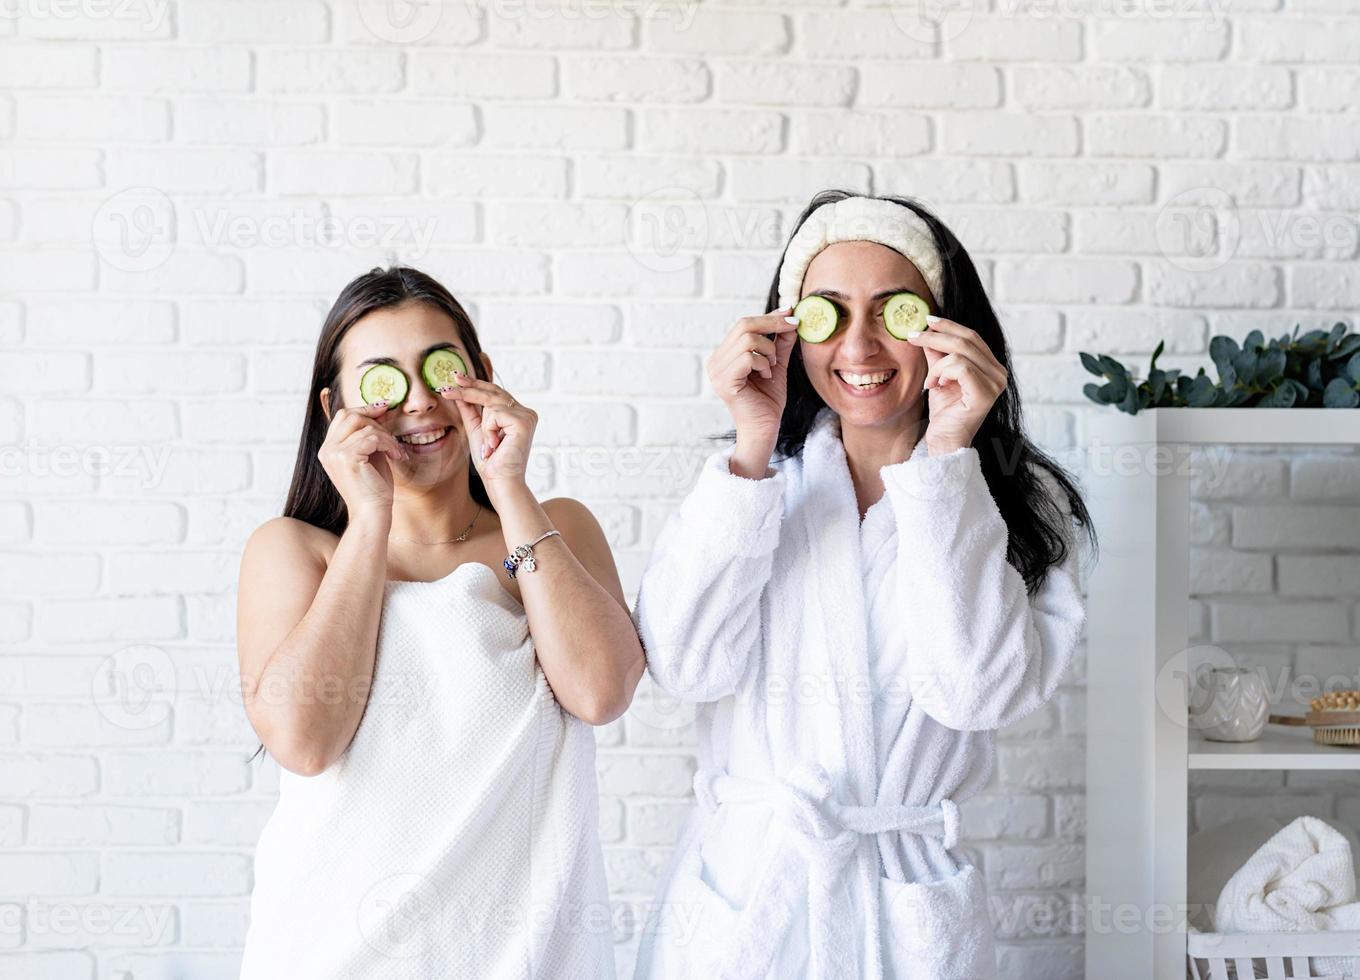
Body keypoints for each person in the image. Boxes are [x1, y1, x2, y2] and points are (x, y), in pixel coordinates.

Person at [630, 191, 1096, 979]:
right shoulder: (753, 483)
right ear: (788, 332)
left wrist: (948, 457)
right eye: (829, 313)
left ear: (946, 330)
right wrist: (750, 446)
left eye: (896, 312)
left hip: (902, 903)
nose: (860, 344)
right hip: (747, 899)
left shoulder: (1016, 505)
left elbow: (973, 693)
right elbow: (683, 665)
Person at [235, 266, 643, 979]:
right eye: (383, 380)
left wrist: (510, 484)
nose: (420, 402)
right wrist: (370, 519)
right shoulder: (296, 550)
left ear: (481, 374)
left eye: (440, 369)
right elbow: (304, 740)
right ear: (335, 409)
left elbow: (601, 692)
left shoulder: (558, 531)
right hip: (335, 952)